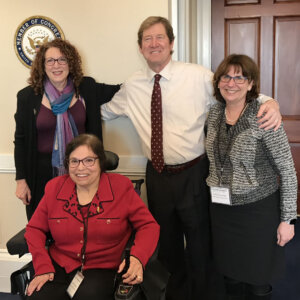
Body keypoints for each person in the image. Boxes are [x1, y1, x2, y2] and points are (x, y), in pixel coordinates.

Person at [101, 16, 282, 300]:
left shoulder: (197, 76)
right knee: (167, 244)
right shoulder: (132, 86)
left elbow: (234, 91)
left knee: (200, 244)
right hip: (157, 175)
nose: (154, 43)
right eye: (147, 39)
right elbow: (102, 111)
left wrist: (269, 101)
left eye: (160, 37)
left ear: (172, 44)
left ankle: (204, 295)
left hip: (194, 174)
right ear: (140, 47)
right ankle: (176, 294)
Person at [206, 54, 297, 300]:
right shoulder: (214, 114)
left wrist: (287, 220)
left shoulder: (264, 116)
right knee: (230, 274)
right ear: (218, 82)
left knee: (258, 278)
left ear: (251, 84)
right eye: (226, 77)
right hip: (222, 210)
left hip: (258, 212)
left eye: (239, 78)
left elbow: (287, 171)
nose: (231, 83)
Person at [24, 133, 159, 300]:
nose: (81, 168)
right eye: (74, 161)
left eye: (89, 160)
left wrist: (138, 257)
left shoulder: (120, 187)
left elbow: (149, 226)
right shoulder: (54, 188)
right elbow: (34, 229)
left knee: (87, 296)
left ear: (100, 162)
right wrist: (42, 266)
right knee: (38, 296)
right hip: (60, 263)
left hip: (103, 266)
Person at [14, 39, 120, 220]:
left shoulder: (86, 88)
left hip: (83, 172)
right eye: (50, 60)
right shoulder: (27, 96)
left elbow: (120, 90)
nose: (57, 65)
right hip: (40, 176)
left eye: (62, 60)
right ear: (43, 65)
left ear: (71, 63)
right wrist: (21, 180)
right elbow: (21, 141)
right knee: (45, 228)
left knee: (83, 225)